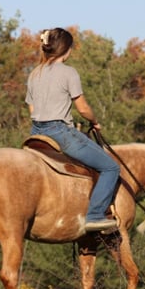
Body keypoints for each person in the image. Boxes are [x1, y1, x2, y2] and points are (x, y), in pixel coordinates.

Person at [26, 27, 120, 232]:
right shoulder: (69, 72)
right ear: (66, 49)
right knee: (111, 168)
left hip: (36, 134)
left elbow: (32, 108)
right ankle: (95, 215)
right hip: (60, 133)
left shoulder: (34, 74)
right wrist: (95, 122)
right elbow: (83, 108)